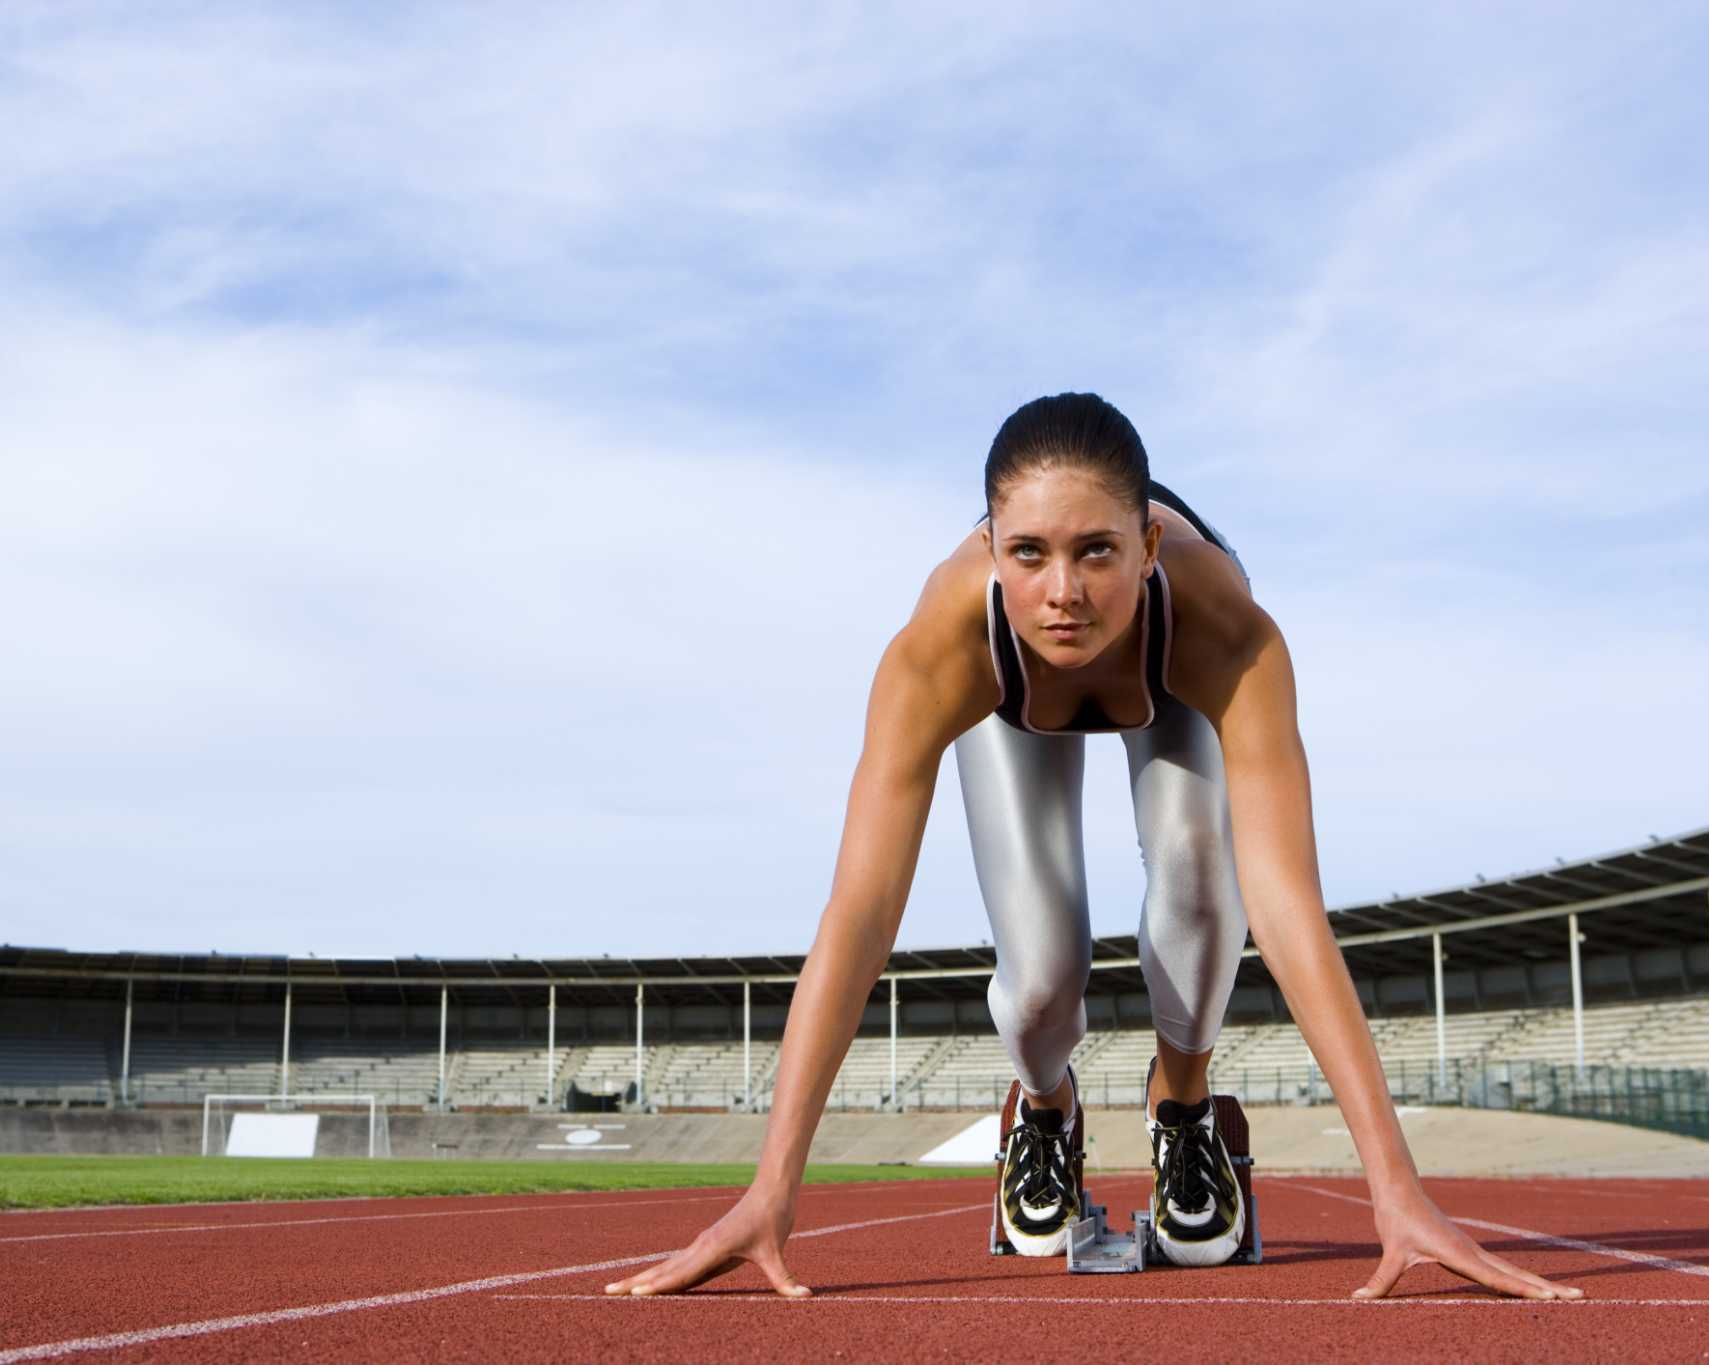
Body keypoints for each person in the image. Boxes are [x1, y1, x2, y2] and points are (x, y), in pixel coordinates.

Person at [604, 394, 1581, 1302]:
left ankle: (1183, 1109)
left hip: (1171, 677)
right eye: (1026, 553)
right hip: (1006, 704)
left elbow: (1283, 906)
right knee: (1040, 977)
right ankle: (1042, 1111)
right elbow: (859, 913)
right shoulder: (940, 647)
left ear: (1149, 543)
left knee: (1202, 893)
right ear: (988, 548)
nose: (1062, 593)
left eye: (1096, 553)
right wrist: (770, 1190)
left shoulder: (1223, 630)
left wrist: (1394, 1188)